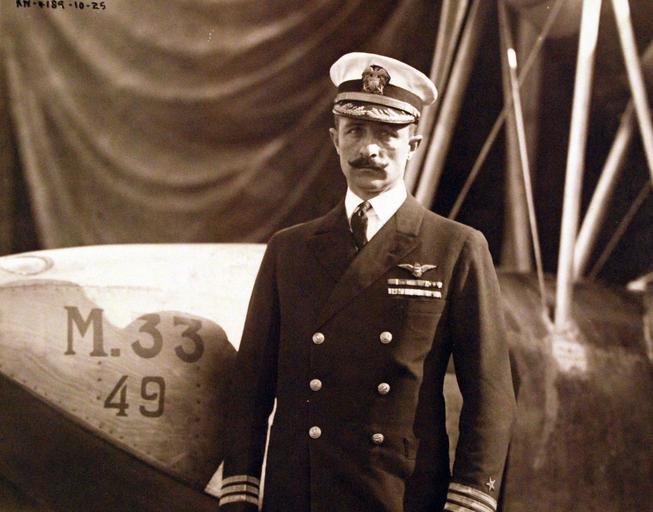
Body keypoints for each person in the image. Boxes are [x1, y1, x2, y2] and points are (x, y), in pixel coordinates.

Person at [218, 52, 516, 512]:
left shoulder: (455, 248)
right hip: (300, 495)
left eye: (387, 133)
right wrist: (240, 491)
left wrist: (470, 501)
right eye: (355, 130)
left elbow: (491, 395)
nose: (369, 149)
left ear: (413, 143)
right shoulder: (289, 250)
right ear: (335, 139)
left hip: (399, 495)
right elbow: (250, 388)